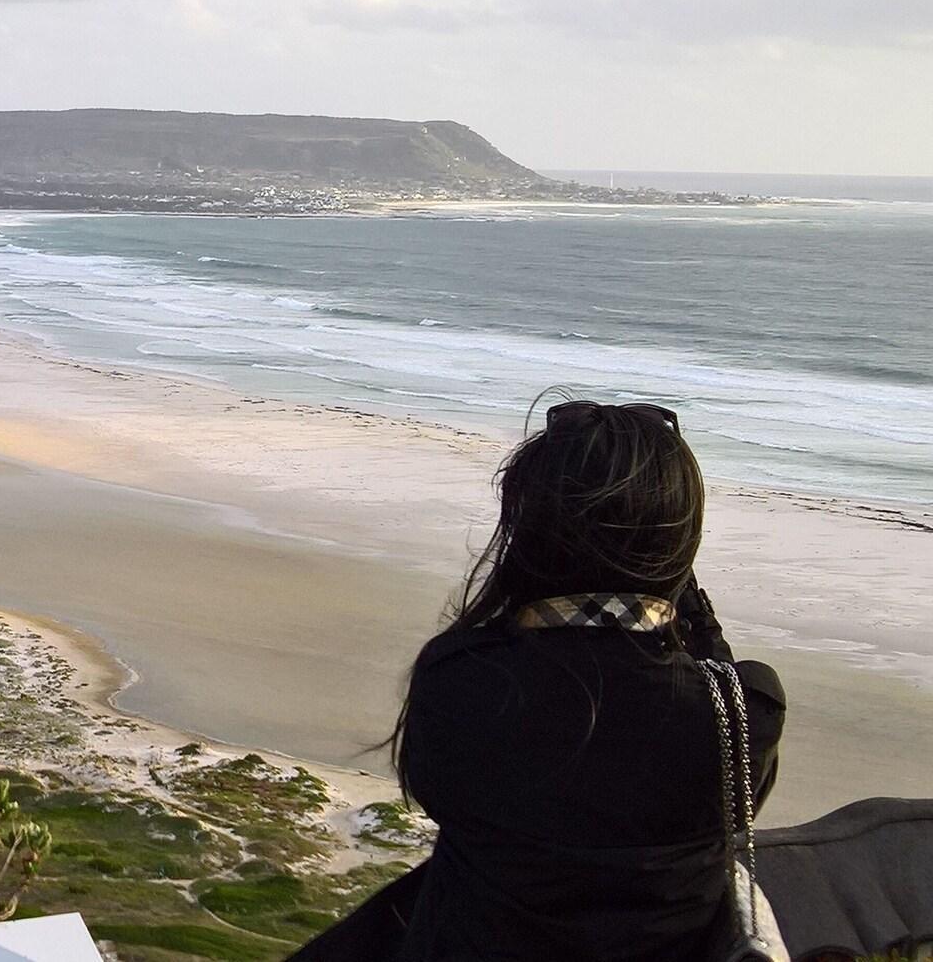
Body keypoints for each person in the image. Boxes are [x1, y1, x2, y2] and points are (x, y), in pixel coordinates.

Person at [294, 399, 786, 961]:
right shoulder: (744, 712)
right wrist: (684, 604)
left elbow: (438, 794)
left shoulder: (459, 680)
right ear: (681, 543)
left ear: (526, 531)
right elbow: (713, 683)